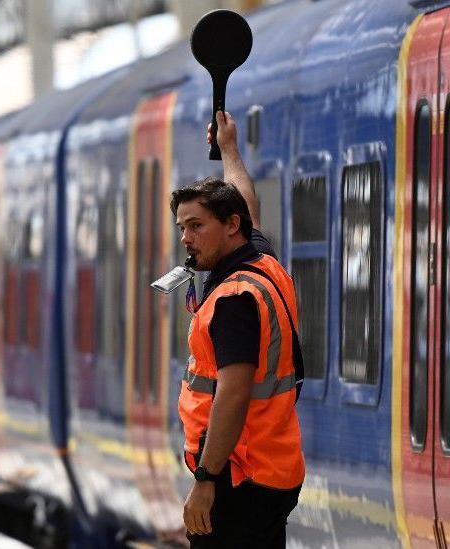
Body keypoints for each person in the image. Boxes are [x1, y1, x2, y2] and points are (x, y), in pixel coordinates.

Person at [173, 111, 304, 547]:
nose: (186, 239)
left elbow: (233, 393)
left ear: (230, 227)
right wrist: (229, 149)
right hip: (271, 468)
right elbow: (247, 203)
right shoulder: (263, 264)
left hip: (238, 476)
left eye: (196, 227)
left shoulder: (234, 300)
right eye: (182, 229)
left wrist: (206, 480)